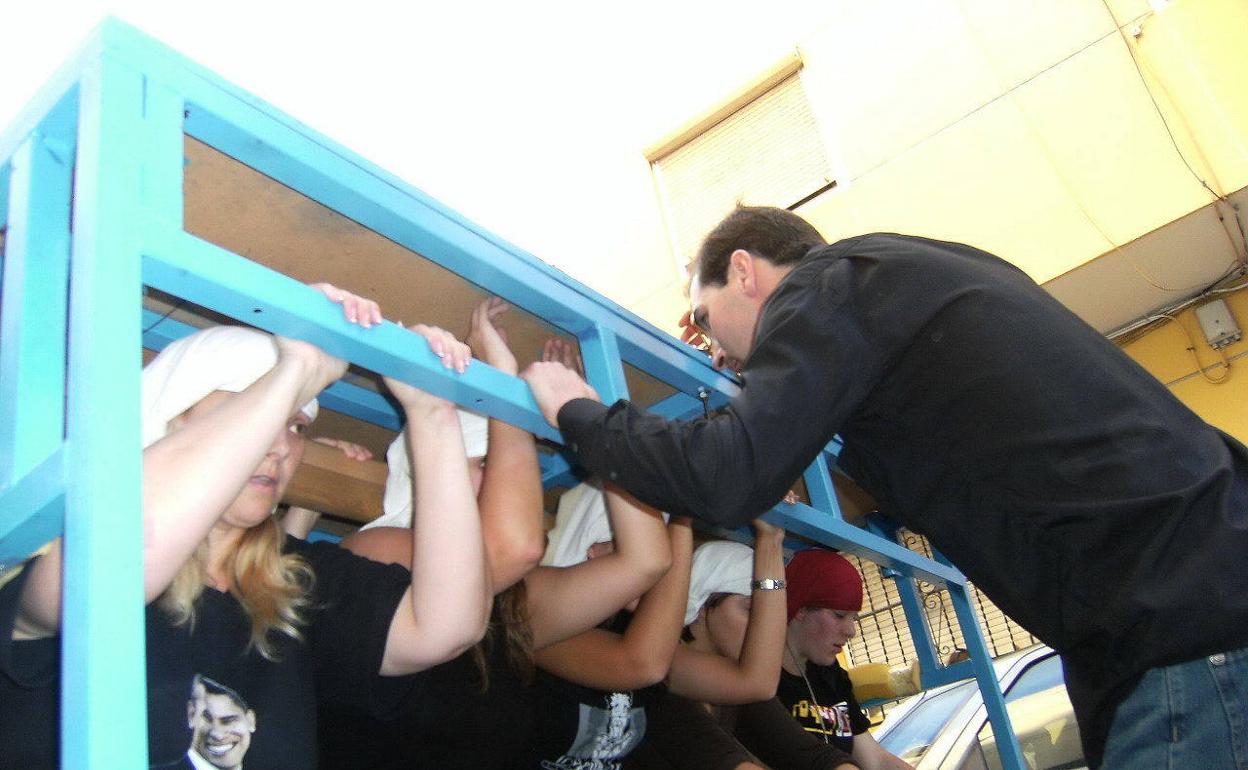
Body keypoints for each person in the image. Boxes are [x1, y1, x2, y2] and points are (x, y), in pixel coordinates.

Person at [520, 205, 1248, 769]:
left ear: (746, 272)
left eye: (708, 322)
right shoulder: (911, 276)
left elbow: (723, 473)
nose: (718, 353)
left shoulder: (823, 294)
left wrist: (575, 409)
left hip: (1181, 630)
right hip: (1200, 596)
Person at [1, 283, 493, 768]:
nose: (281, 446)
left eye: (298, 425)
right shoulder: (49, 541)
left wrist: (432, 414)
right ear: (170, 419)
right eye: (256, 409)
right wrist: (298, 368)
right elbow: (103, 577)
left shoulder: (296, 581)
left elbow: (446, 628)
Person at [316, 304, 672, 770]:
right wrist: (503, 385)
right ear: (430, 468)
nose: (512, 482)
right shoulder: (377, 551)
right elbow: (515, 547)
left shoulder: (509, 601)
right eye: (485, 463)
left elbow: (645, 560)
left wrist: (594, 423)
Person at [779, 550, 912, 770]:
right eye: (839, 615)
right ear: (801, 609)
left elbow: (874, 760)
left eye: (854, 618)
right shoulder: (765, 680)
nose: (851, 631)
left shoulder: (831, 676)